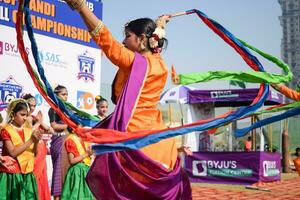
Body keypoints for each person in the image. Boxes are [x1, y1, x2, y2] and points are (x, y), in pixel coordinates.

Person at [63, 1, 192, 199]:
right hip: (159, 140)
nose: (123, 41)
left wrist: (82, 8)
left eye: (127, 36)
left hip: (134, 137)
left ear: (141, 39)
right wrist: (161, 25)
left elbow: (107, 42)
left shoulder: (135, 63)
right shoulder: (160, 64)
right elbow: (155, 45)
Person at [0, 99, 42, 199]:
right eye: (22, 115)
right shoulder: (6, 130)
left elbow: (35, 154)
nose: (25, 118)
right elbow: (12, 153)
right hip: (12, 174)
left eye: (27, 115)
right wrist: (31, 140)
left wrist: (36, 142)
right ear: (13, 114)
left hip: (27, 174)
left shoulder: (28, 130)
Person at [22, 93, 52, 200]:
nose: (32, 108)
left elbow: (50, 130)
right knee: (33, 177)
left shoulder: (34, 117)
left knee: (41, 178)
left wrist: (40, 122)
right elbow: (30, 132)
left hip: (41, 150)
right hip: (32, 151)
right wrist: (38, 123)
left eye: (34, 105)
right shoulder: (24, 118)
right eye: (30, 105)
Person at [48, 85, 70, 200]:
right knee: (58, 172)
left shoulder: (68, 109)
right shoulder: (54, 108)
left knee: (67, 171)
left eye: (67, 94)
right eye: (63, 94)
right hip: (59, 141)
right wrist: (68, 125)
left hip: (68, 142)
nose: (66, 97)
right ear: (56, 95)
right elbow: (54, 125)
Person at [61, 131, 94, 199]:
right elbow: (72, 161)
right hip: (77, 173)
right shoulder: (71, 140)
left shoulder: (85, 139)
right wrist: (86, 154)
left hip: (86, 171)